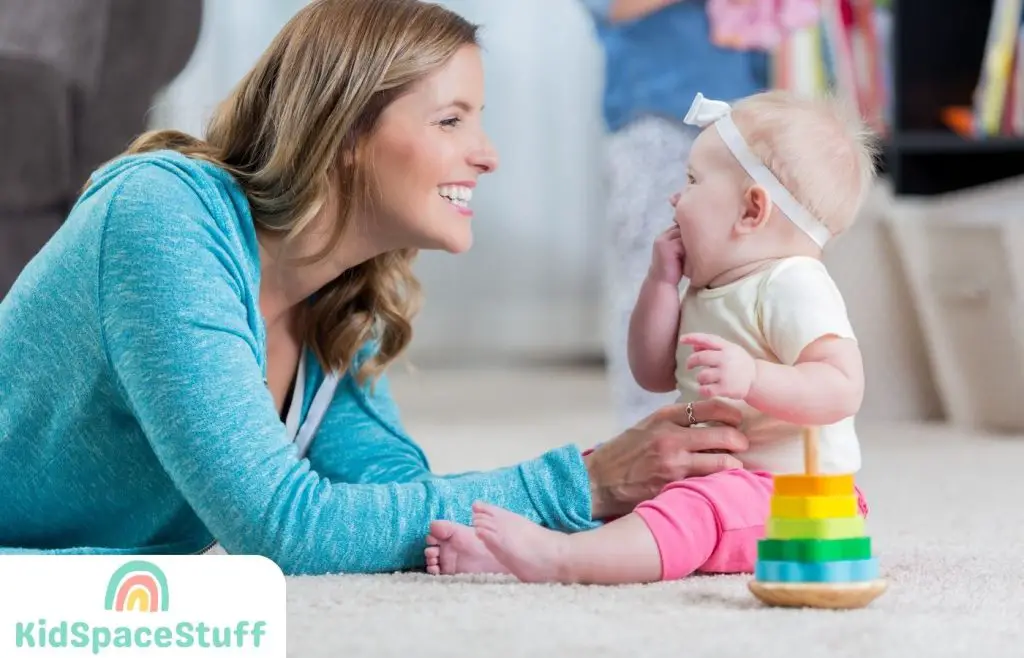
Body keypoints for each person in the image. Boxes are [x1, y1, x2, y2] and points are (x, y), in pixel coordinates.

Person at [0, 0, 752, 576]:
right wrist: (588, 479)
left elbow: (395, 504)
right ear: (345, 132)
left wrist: (648, 510)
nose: (486, 155)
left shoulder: (337, 303)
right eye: (451, 119)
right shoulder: (163, 214)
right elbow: (281, 528)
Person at [424, 89, 879, 584]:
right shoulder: (709, 289)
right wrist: (660, 285)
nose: (675, 197)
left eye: (692, 181)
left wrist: (753, 377)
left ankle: (563, 560)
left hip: (798, 498)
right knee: (630, 478)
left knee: (694, 508)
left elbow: (841, 386)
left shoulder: (792, 282)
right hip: (719, 475)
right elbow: (654, 371)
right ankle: (504, 553)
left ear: (751, 211)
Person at [578, 0, 769, 430]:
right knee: (648, 270)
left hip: (744, 110)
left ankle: (731, 410)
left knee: (745, 272)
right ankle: (646, 423)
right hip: (655, 115)